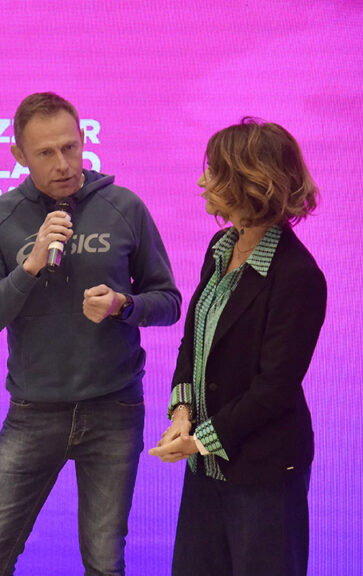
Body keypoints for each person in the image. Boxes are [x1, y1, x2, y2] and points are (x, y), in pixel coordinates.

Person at [0, 92, 181, 575]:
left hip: (114, 409)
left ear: (84, 140)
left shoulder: (124, 206)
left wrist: (124, 305)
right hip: (33, 411)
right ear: (19, 155)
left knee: (104, 562)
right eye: (45, 152)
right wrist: (30, 265)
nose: (62, 163)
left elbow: (168, 302)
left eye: (70, 147)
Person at [149, 118, 325, 576]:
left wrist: (199, 441)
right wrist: (182, 413)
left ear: (251, 183)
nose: (202, 182)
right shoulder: (219, 248)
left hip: (264, 472)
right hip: (205, 470)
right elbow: (193, 340)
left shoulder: (298, 276)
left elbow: (274, 388)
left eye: (215, 171)